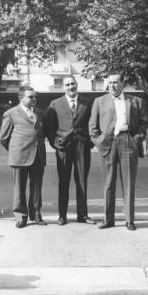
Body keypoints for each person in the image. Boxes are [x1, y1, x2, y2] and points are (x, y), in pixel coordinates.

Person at [89, 73, 148, 231]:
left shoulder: (136, 101)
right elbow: (92, 127)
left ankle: (129, 219)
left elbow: (144, 124)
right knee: (108, 183)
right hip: (108, 143)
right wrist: (99, 142)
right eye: (109, 83)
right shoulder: (99, 102)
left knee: (128, 183)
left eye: (115, 82)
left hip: (128, 141)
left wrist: (136, 140)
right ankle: (108, 219)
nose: (112, 86)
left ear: (123, 83)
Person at [46, 75, 95, 226]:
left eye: (72, 84)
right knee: (64, 181)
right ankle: (62, 216)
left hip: (82, 146)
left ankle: (83, 215)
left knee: (82, 181)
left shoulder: (87, 103)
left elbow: (94, 124)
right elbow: (49, 127)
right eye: (67, 85)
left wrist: (89, 142)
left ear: (77, 84)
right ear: (63, 87)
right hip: (63, 147)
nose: (70, 87)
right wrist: (56, 143)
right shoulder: (55, 104)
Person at [0, 86, 47, 228]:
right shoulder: (11, 113)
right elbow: (3, 137)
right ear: (21, 98)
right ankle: (21, 217)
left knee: (36, 187)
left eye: (35, 97)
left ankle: (36, 214)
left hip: (38, 156)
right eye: (30, 97)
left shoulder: (40, 113)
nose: (34, 99)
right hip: (19, 156)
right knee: (19, 188)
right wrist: (15, 150)